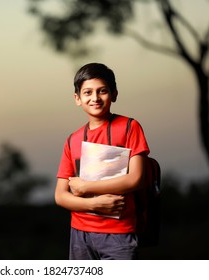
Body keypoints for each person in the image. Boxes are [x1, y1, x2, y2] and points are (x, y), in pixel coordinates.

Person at [55, 62, 150, 260]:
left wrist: (86, 187)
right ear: (77, 98)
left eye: (102, 91)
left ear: (114, 94)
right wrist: (94, 204)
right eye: (88, 92)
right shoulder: (73, 140)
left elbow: (136, 179)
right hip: (79, 233)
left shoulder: (129, 127)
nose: (95, 98)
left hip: (119, 232)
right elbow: (60, 196)